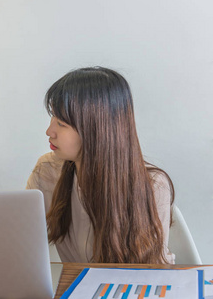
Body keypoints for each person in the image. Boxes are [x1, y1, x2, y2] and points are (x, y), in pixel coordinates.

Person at [27, 67, 175, 264]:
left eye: (62, 124)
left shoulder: (152, 185)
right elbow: (21, 240)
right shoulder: (48, 170)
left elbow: (154, 270)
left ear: (97, 128)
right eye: (53, 117)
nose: (49, 131)